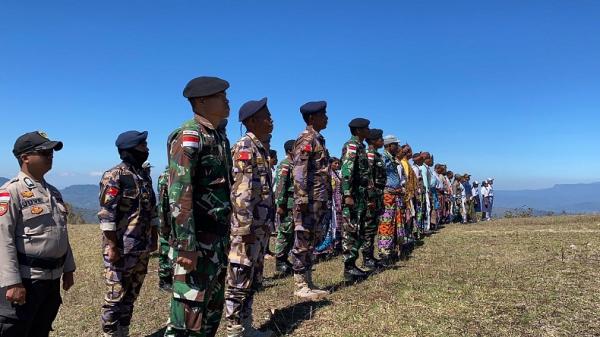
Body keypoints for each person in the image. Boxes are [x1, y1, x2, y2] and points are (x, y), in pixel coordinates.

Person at [165, 76, 233, 337]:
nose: (227, 100)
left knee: (211, 311)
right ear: (201, 100)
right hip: (197, 242)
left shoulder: (217, 137)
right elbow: (180, 194)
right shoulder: (189, 136)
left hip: (217, 239)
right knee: (187, 316)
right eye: (220, 96)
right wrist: (186, 245)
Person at [0, 131, 76, 337]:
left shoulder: (53, 192)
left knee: (40, 330)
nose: (50, 156)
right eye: (44, 152)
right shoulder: (10, 192)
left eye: (51, 152)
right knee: (16, 330)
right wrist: (13, 282)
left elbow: (61, 233)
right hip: (26, 280)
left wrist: (68, 269)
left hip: (51, 280)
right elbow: (3, 239)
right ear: (25, 158)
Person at [98, 130, 158, 337]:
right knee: (115, 296)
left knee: (131, 294)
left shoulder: (143, 175)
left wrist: (155, 237)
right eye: (143, 146)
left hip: (141, 247)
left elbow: (152, 209)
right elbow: (107, 215)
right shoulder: (114, 176)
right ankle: (110, 333)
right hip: (121, 248)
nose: (147, 149)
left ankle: (123, 331)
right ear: (129, 149)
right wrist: (112, 247)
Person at [225, 98, 275, 337]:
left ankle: (246, 325)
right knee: (239, 276)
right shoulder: (245, 147)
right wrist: (244, 229)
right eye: (267, 116)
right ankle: (234, 329)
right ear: (252, 121)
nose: (271, 119)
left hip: (259, 226)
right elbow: (242, 192)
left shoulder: (260, 147)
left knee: (253, 276)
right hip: (247, 228)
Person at [291, 101, 331, 300]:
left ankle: (308, 280)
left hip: (318, 197)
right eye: (323, 115)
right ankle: (300, 284)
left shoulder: (318, 139)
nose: (327, 118)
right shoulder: (306, 139)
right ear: (312, 118)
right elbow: (299, 170)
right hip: (308, 198)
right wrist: (301, 197)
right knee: (302, 239)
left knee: (312, 239)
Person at [340, 118, 371, 282]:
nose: (368, 130)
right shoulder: (352, 146)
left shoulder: (360, 146)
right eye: (366, 128)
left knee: (359, 229)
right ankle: (349, 267)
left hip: (360, 194)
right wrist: (347, 194)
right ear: (358, 131)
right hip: (353, 194)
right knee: (351, 229)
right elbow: (347, 171)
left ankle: (352, 264)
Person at [363, 129, 386, 270]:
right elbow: (369, 177)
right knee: (369, 227)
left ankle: (371, 256)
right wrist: (370, 197)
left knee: (373, 226)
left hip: (378, 195)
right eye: (380, 138)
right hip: (371, 196)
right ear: (372, 140)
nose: (382, 141)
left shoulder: (377, 155)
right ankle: (366, 258)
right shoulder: (370, 155)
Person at [378, 135, 403, 265]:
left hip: (395, 195)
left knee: (394, 224)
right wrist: (388, 189)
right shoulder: (383, 158)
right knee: (386, 224)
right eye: (395, 145)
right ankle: (384, 251)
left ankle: (392, 249)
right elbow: (379, 176)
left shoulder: (392, 158)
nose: (397, 147)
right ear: (388, 146)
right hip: (388, 195)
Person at [273, 140, 296, 275]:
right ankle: (280, 260)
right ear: (289, 150)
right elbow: (281, 186)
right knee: (284, 233)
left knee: (291, 233)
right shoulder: (285, 164)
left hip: (294, 205)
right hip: (287, 204)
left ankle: (285, 258)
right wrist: (280, 204)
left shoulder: (295, 164)